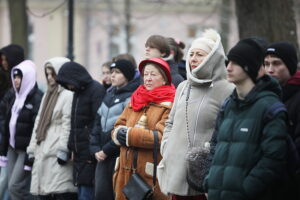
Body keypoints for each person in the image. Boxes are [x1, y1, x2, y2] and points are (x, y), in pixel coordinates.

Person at [204, 38, 288, 200]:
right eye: (228, 62)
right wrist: (209, 181)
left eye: (236, 63)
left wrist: (245, 189)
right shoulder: (228, 105)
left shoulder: (270, 108)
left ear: (250, 67)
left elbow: (273, 159)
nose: (228, 67)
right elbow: (215, 146)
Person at [157, 29, 234, 200]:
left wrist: (209, 154)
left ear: (213, 58)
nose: (193, 59)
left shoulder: (227, 89)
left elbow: (227, 130)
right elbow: (170, 123)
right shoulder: (183, 86)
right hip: (176, 171)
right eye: (191, 54)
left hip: (204, 175)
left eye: (199, 54)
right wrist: (167, 147)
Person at [112, 57, 176, 200]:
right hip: (124, 175)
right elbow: (118, 125)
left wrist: (129, 135)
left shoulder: (170, 104)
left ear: (164, 79)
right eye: (146, 74)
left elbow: (160, 136)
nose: (147, 78)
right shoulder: (136, 98)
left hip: (150, 179)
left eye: (153, 75)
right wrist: (117, 134)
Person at [26, 57, 77, 199]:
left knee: (59, 188)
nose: (49, 78)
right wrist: (31, 148)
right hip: (43, 144)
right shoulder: (47, 94)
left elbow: (68, 123)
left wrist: (63, 149)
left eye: (52, 74)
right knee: (45, 190)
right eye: (47, 74)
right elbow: (38, 122)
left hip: (56, 145)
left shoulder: (67, 95)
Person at [56, 61, 105, 200]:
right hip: (79, 153)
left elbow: (98, 122)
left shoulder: (96, 90)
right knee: (82, 192)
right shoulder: (77, 92)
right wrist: (71, 147)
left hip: (89, 153)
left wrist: (92, 148)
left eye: (68, 83)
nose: (68, 87)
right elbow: (74, 123)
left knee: (86, 194)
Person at [90, 59, 139, 200]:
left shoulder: (131, 97)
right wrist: (95, 149)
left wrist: (106, 150)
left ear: (127, 76)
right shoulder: (109, 94)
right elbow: (97, 124)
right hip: (101, 156)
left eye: (117, 73)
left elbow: (126, 128)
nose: (112, 76)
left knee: (117, 194)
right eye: (111, 72)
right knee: (101, 194)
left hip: (118, 155)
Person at [0, 60, 43, 200]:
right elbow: (7, 123)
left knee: (15, 186)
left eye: (20, 77)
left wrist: (30, 157)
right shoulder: (14, 96)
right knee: (12, 188)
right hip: (12, 148)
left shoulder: (37, 97)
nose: (16, 80)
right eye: (15, 77)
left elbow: (36, 128)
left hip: (25, 150)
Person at [264, 41, 300, 198]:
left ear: (290, 65)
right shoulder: (264, 95)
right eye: (266, 64)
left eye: (276, 63)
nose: (270, 69)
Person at [0, 44, 25, 200]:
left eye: (5, 59)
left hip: (14, 142)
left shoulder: (15, 85)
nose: (3, 62)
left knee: (10, 182)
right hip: (7, 139)